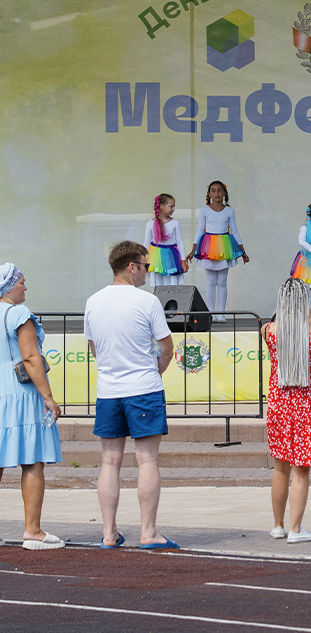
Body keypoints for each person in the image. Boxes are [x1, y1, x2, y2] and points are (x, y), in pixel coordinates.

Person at [84, 240, 176, 550]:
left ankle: (109, 533)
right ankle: (148, 532)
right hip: (143, 388)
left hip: (109, 390)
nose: (148, 272)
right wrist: (155, 371)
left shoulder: (93, 301)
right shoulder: (147, 301)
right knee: (147, 459)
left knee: (110, 461)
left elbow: (94, 348)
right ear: (132, 267)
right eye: (146, 266)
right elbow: (167, 348)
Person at [0, 263, 64, 549]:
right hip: (21, 393)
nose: (25, 286)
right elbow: (30, 357)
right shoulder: (19, 314)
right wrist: (48, 397)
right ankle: (33, 531)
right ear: (9, 286)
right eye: (22, 282)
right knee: (33, 459)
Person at [265, 277, 311, 543]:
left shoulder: (268, 330)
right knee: (301, 470)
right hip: (306, 405)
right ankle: (295, 529)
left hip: (279, 405)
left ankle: (278, 525)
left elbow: (275, 356)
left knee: (280, 469)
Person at [186, 180, 249, 321]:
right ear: (209, 194)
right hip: (208, 247)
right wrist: (193, 249)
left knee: (222, 281)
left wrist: (243, 251)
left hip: (224, 247)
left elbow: (234, 231)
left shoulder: (229, 211)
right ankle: (211, 313)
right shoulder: (204, 210)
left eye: (219, 190)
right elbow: (199, 230)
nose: (217, 193)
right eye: (213, 191)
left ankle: (221, 313)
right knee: (210, 281)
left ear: (224, 193)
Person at [143, 193, 188, 289]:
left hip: (171, 256)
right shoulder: (150, 224)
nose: (173, 209)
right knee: (157, 284)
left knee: (171, 283)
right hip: (155, 258)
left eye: (173, 206)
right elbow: (146, 243)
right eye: (171, 206)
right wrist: (143, 260)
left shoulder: (175, 223)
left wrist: (183, 261)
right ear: (161, 206)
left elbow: (180, 243)